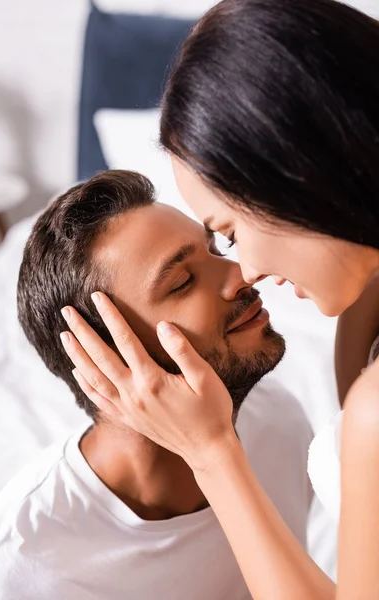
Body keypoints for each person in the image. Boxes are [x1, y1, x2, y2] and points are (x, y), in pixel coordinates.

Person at [60, 1, 379, 599]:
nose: (246, 271)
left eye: (227, 233)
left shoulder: (369, 413)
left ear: (297, 173)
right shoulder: (367, 300)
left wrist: (210, 452)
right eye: (182, 278)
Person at [0, 170, 313, 600]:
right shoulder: (22, 570)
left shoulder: (277, 421)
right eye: (182, 282)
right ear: (104, 359)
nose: (241, 275)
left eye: (215, 248)